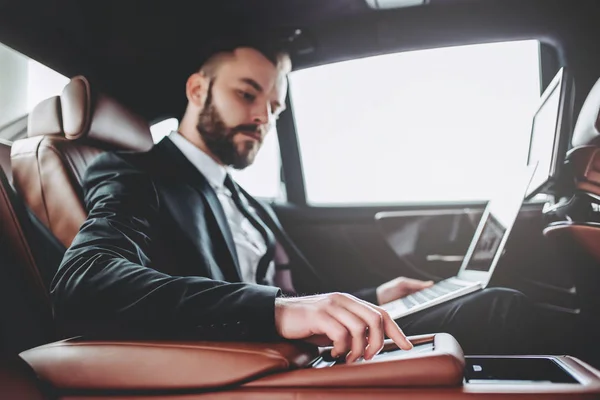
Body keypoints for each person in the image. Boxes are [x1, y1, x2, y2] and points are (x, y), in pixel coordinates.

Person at [51, 41, 532, 362]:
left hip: (307, 350)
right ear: (198, 90)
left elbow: (307, 296)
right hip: (250, 358)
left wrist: (378, 297)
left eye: (274, 108)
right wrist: (278, 312)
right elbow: (84, 280)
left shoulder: (246, 201)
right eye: (246, 94)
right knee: (497, 310)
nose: (262, 116)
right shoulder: (135, 174)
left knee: (490, 304)